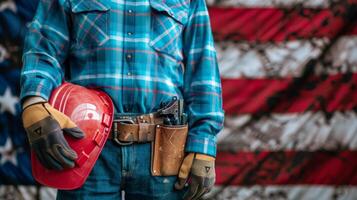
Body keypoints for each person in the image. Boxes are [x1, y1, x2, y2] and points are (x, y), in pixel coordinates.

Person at [20, 0, 224, 199]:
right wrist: (34, 103)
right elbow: (44, 50)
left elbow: (202, 68)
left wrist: (203, 144)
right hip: (86, 140)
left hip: (164, 148)